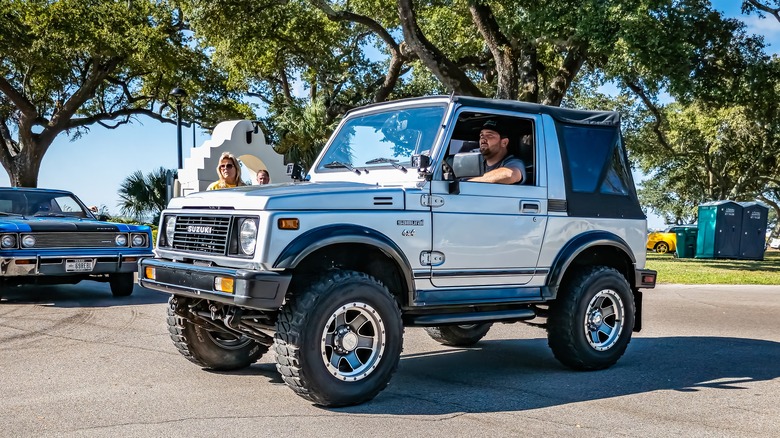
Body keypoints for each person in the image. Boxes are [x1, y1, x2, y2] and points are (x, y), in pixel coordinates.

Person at [468, 119, 526, 185]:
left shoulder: (514, 162)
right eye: (481, 135)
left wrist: (469, 183)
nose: (483, 139)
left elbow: (510, 174)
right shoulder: (476, 160)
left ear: (504, 142)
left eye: (489, 135)